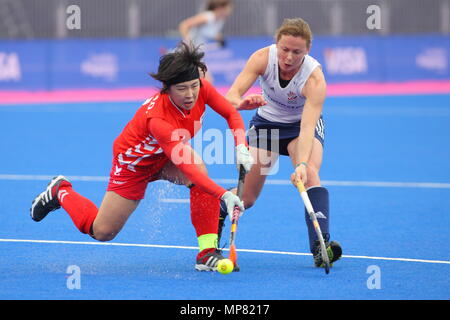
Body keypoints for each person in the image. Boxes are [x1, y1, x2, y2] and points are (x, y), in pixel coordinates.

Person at [30, 42, 253, 272]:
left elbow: (230, 113)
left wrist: (241, 146)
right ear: (167, 88)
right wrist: (223, 194)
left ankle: (207, 253)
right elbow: (187, 168)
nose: (190, 94)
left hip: (164, 156)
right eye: (182, 89)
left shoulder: (201, 88)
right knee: (103, 231)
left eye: (194, 86)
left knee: (199, 174)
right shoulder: (158, 120)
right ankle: (61, 191)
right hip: (133, 165)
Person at [218, 18, 342, 268]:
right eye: (285, 49)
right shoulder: (262, 58)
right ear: (277, 45)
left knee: (309, 176)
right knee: (247, 198)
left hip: (299, 128)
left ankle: (321, 247)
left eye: (297, 52)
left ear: (307, 51)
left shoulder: (314, 80)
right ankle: (216, 212)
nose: (289, 57)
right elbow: (230, 97)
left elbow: (308, 127)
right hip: (266, 125)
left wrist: (302, 163)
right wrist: (240, 104)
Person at [178, 0, 234, 83]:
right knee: (207, 81)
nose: (230, 10)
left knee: (205, 81)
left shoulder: (219, 21)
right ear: (220, 8)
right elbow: (184, 25)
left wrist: (220, 39)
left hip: (198, 52)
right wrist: (187, 42)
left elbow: (209, 32)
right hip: (189, 52)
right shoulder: (208, 16)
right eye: (228, 7)